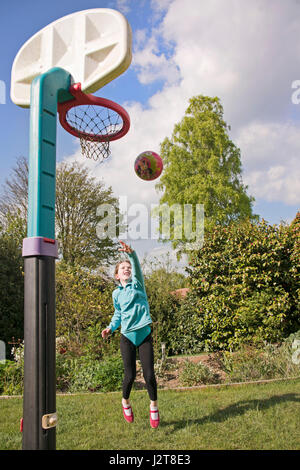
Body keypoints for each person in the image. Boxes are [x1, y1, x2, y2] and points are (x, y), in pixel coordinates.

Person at [101, 240, 159, 428]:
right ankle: (125, 402)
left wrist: (131, 254)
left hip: (143, 335)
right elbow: (118, 313)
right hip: (126, 336)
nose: (127, 269)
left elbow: (137, 267)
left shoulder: (138, 285)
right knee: (130, 376)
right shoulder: (116, 294)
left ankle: (154, 406)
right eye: (122, 268)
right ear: (117, 276)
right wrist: (110, 327)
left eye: (128, 267)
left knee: (149, 375)